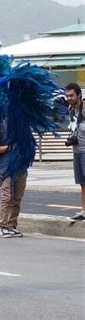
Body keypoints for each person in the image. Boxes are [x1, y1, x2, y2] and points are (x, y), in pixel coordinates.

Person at [0, 120, 26, 237]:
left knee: (17, 199)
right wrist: (8, 148)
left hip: (21, 167)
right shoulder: (1, 124)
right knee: (7, 197)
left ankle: (12, 225)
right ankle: (2, 226)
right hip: (5, 167)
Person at [66, 83, 85, 222]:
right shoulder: (71, 110)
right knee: (82, 183)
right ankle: (83, 211)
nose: (69, 98)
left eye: (71, 95)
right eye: (67, 96)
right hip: (77, 151)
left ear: (79, 95)